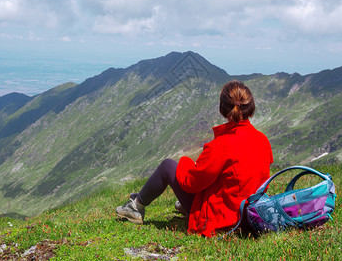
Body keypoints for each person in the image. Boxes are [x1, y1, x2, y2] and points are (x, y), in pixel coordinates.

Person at [115, 80, 273, 237]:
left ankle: (136, 206)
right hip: (249, 217)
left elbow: (191, 183)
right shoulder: (263, 140)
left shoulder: (221, 144)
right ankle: (142, 203)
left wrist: (186, 162)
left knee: (167, 166)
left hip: (221, 221)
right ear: (250, 109)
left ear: (223, 110)